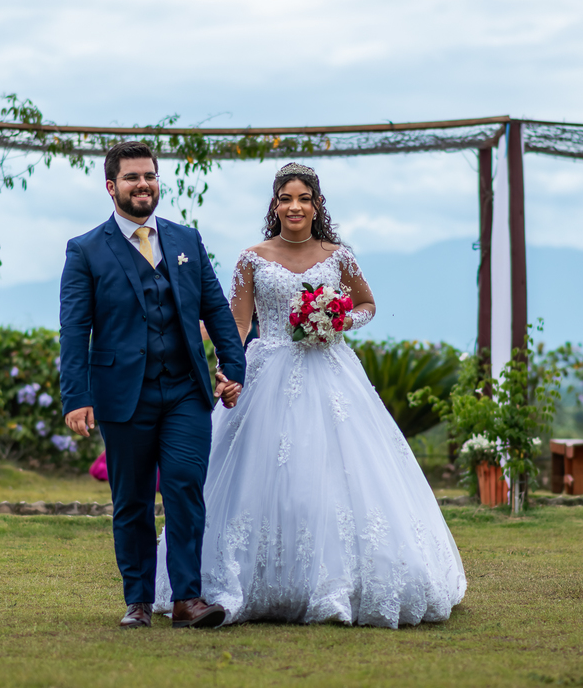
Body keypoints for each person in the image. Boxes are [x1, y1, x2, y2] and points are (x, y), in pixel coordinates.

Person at [152, 162, 467, 627]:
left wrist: (336, 321)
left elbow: (367, 305)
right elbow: (237, 325)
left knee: (337, 477)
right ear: (274, 205)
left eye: (304, 198)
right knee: (258, 478)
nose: (294, 206)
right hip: (268, 371)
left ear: (317, 205)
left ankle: (337, 583)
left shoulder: (339, 255)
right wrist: (227, 370)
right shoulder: (251, 258)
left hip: (331, 370)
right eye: (285, 198)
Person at [59, 140, 247, 629]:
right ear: (111, 187)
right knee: (133, 499)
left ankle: (187, 598)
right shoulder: (85, 250)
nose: (143, 185)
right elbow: (74, 328)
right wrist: (75, 395)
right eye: (132, 178)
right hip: (123, 395)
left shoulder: (186, 240)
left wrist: (235, 367)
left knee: (186, 487)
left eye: (149, 176)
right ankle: (138, 601)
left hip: (186, 389)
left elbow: (216, 310)